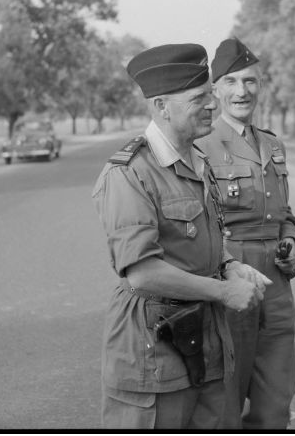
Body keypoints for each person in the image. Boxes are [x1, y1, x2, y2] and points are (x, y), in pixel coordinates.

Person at [92, 43, 271, 429]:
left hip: (204, 338)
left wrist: (230, 265)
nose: (213, 105)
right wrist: (224, 292)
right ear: (161, 107)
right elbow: (141, 273)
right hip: (153, 348)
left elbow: (204, 236)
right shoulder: (129, 173)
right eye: (199, 98)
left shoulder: (196, 159)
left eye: (210, 94)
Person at [197, 38, 295, 429]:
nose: (242, 91)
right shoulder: (200, 145)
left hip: (276, 282)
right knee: (225, 395)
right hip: (232, 275)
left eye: (251, 81)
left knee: (276, 395)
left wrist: (291, 240)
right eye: (232, 82)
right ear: (216, 89)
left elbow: (283, 212)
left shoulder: (273, 144)